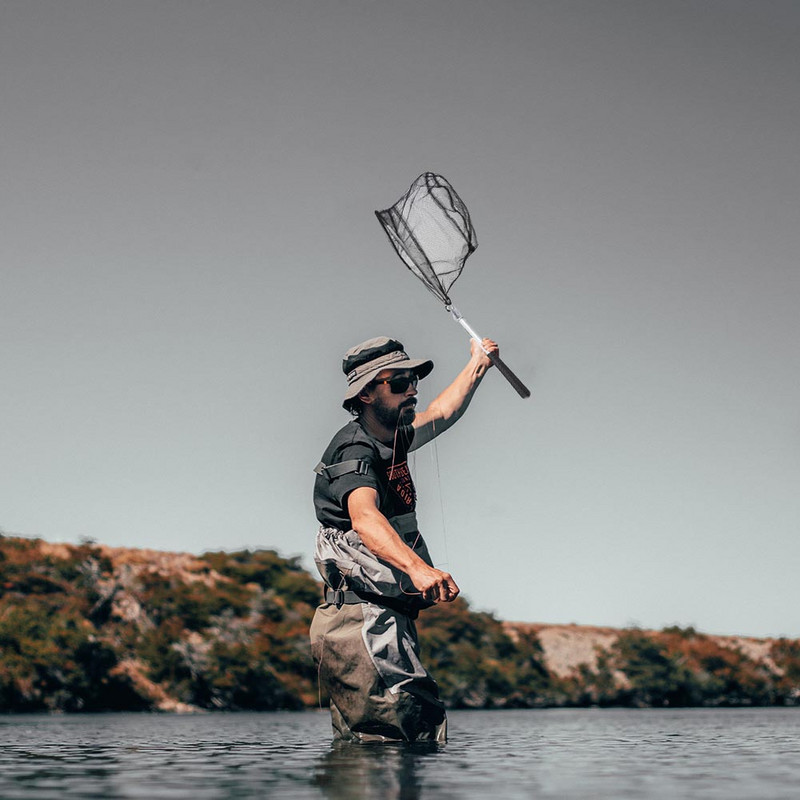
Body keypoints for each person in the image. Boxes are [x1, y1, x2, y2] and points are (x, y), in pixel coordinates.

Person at [310, 334, 498, 743]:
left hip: (383, 620)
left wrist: (478, 363)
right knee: (400, 741)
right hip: (362, 622)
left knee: (388, 750)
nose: (411, 390)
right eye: (398, 383)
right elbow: (365, 518)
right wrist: (419, 569)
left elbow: (443, 411)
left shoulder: (392, 438)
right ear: (364, 394)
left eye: (413, 380)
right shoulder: (354, 450)